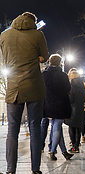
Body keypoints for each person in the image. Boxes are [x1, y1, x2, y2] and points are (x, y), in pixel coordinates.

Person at [0, 12, 48, 174]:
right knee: (35, 128)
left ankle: (10, 169)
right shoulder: (38, 34)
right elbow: (45, 57)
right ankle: (35, 169)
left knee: (12, 130)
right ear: (33, 21)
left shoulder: (5, 35)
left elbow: (4, 59)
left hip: (14, 87)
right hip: (34, 86)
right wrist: (36, 58)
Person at [42, 54, 74, 161]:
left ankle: (64, 152)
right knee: (56, 127)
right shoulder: (63, 75)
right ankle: (52, 150)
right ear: (60, 63)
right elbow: (68, 89)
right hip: (60, 105)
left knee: (57, 128)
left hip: (48, 104)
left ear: (50, 62)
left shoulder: (44, 74)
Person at [65, 68, 85, 153]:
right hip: (80, 109)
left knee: (72, 128)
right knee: (78, 128)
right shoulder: (82, 86)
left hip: (72, 109)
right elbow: (84, 98)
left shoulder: (71, 86)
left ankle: (74, 146)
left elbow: (70, 98)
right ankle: (76, 146)